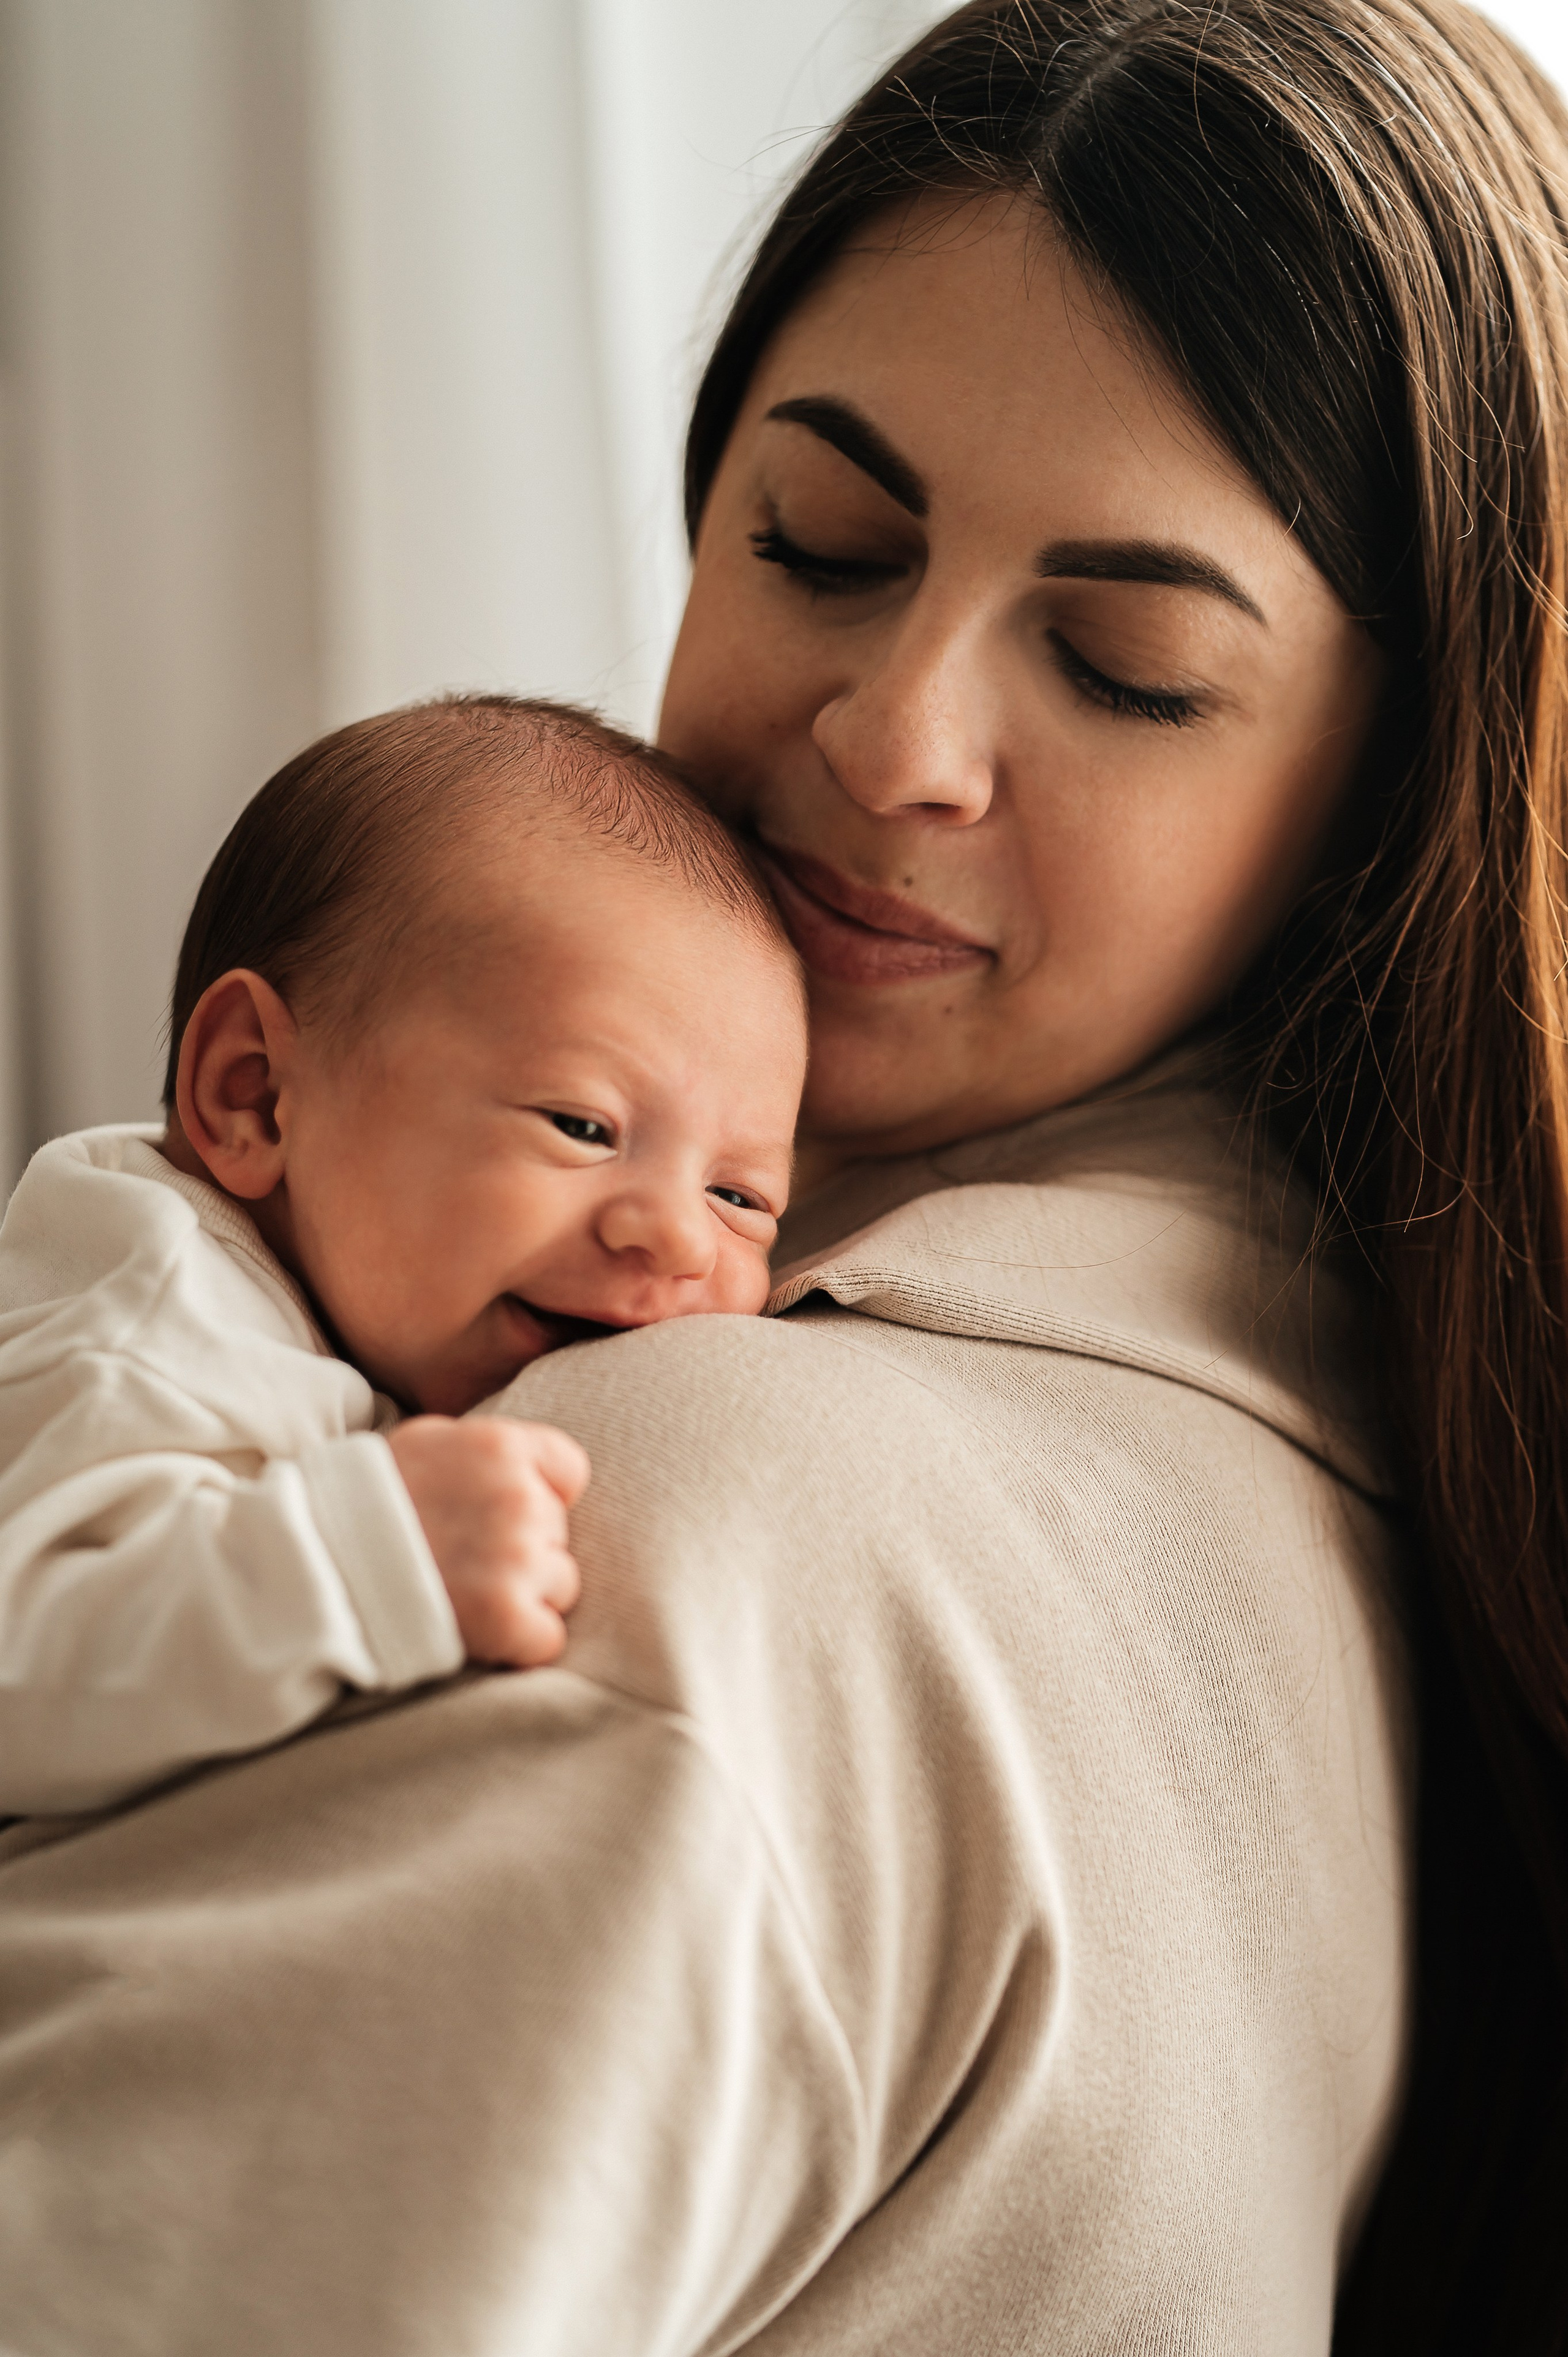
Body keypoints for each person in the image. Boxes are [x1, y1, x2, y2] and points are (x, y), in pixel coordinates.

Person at [1, 0, 1564, 2347]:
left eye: (1127, 665)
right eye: (821, 541)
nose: (894, 736)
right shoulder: (1337, 1499)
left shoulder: (684, 1523)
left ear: (1392, 790)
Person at [0, 695, 805, 1814]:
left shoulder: (343, 1292)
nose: (674, 1234)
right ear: (258, 1095)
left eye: (740, 1195)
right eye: (581, 1126)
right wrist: (354, 1557)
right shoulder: (149, 1330)